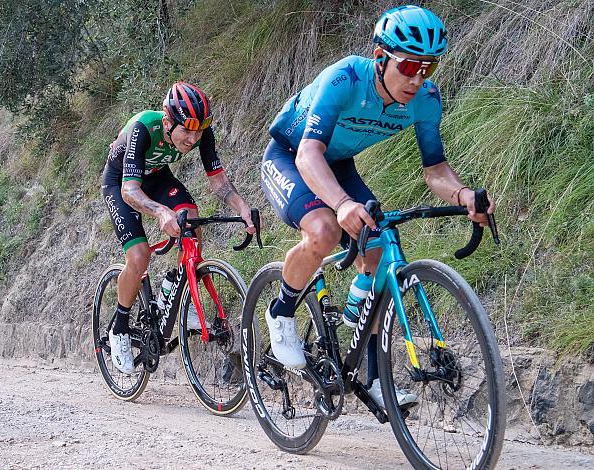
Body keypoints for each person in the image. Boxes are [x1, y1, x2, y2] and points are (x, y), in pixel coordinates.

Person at [260, 5, 494, 407]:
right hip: (290, 154)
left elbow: (435, 168)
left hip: (338, 163)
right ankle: (280, 312)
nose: (417, 79)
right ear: (380, 58)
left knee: (379, 250)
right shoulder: (346, 78)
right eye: (408, 66)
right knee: (324, 230)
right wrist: (342, 203)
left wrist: (464, 196)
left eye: (428, 68)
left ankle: (368, 367)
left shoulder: (425, 99)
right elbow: (308, 155)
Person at [102, 82, 255, 374]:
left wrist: (243, 209)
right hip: (121, 182)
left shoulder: (201, 132)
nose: (193, 138)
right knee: (139, 257)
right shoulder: (144, 128)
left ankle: (175, 287)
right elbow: (129, 191)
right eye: (186, 130)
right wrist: (160, 212)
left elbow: (219, 182)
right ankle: (119, 328)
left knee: (191, 221)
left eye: (198, 131)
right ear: (167, 121)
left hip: (158, 177)